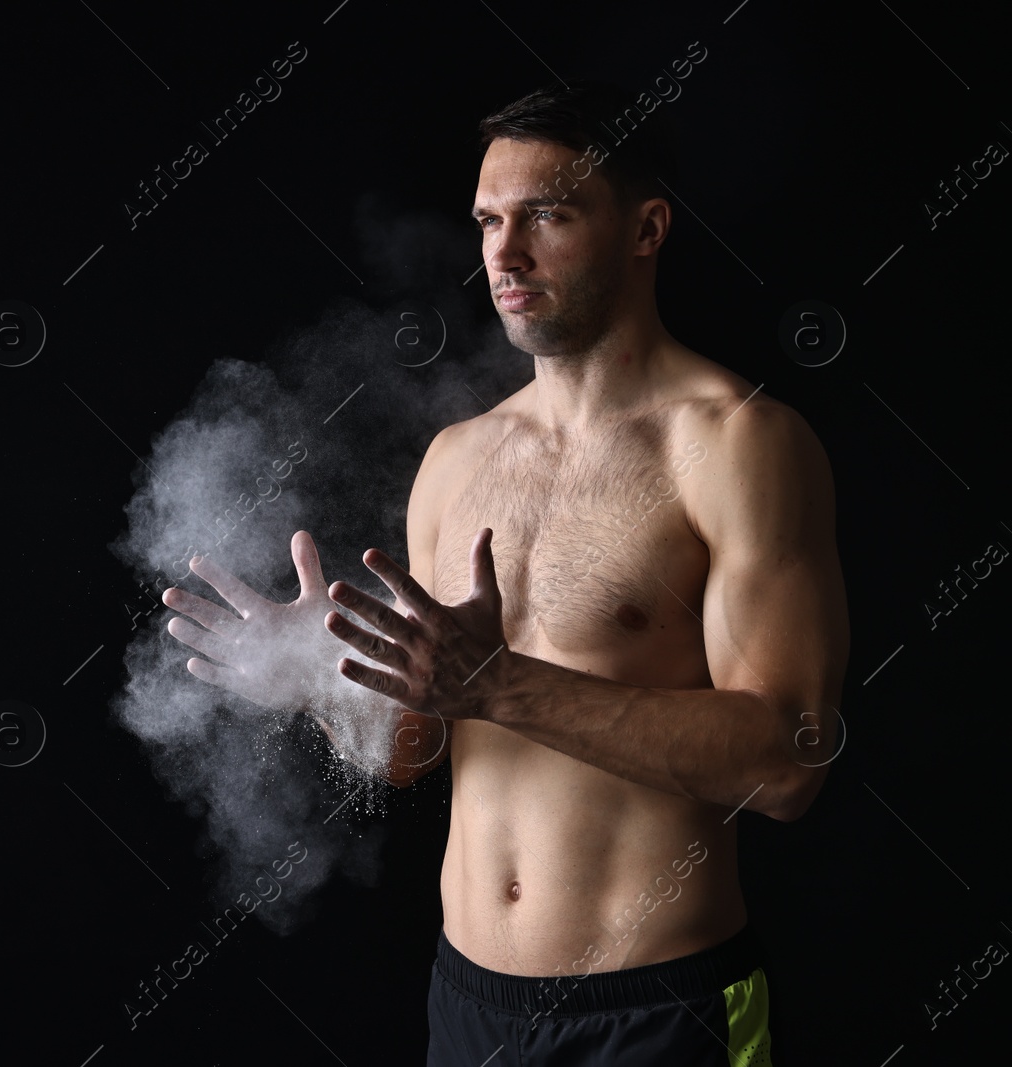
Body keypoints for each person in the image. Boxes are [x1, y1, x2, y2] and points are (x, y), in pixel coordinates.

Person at [161, 81, 848, 1064]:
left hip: (656, 1013)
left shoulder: (738, 444)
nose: (503, 252)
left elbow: (788, 760)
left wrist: (503, 683)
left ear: (645, 227)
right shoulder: (457, 459)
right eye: (487, 220)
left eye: (547, 216)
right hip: (470, 1004)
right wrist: (321, 681)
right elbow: (413, 749)